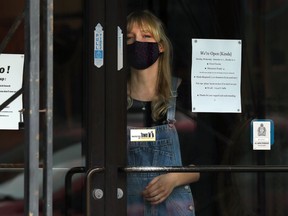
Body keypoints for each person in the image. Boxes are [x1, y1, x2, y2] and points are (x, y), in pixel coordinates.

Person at [126, 10, 200, 215]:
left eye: (146, 36)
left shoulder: (182, 95)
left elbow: (205, 162)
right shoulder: (116, 102)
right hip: (131, 207)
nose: (137, 43)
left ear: (161, 46)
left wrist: (175, 178)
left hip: (173, 206)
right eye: (130, 38)